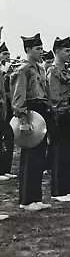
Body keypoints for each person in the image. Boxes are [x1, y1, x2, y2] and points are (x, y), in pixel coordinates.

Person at [10, 33, 51, 211]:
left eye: (42, 48)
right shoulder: (23, 70)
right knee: (29, 156)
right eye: (38, 49)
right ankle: (26, 200)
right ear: (28, 50)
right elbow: (19, 97)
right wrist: (23, 119)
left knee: (39, 157)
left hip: (41, 111)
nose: (41, 51)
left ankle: (36, 197)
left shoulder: (40, 69)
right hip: (29, 112)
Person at [47, 37, 70, 202]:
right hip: (60, 116)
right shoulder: (53, 71)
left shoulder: (68, 71)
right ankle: (58, 192)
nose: (69, 54)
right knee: (60, 154)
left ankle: (67, 189)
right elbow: (55, 99)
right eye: (66, 51)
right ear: (57, 51)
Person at [0, 41, 16, 180]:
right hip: (2, 107)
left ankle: (6, 169)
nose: (7, 56)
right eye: (5, 53)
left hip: (7, 107)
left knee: (9, 138)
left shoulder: (7, 69)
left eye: (8, 54)